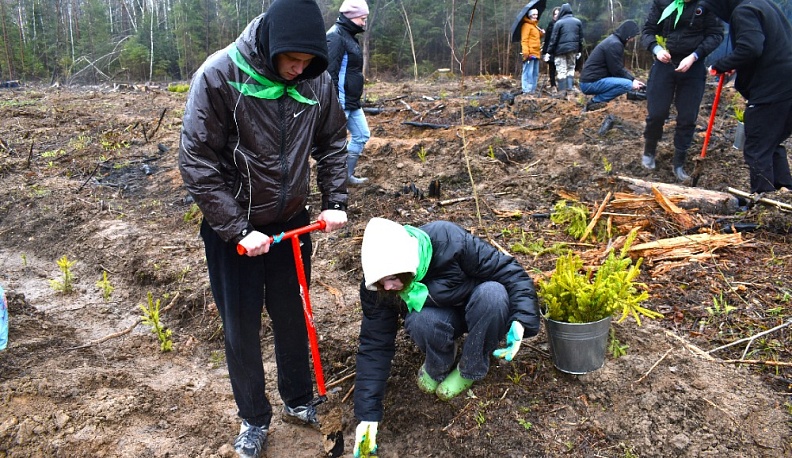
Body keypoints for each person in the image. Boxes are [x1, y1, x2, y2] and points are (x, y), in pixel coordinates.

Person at [178, 0, 349, 456]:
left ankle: (297, 399)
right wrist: (237, 229)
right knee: (242, 328)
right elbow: (197, 162)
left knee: (294, 318)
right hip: (234, 230)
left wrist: (334, 201)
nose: (298, 70)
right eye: (292, 61)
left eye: (308, 62)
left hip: (290, 223)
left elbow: (333, 142)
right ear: (272, 45)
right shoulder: (219, 76)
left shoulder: (316, 79)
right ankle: (253, 418)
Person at [351, 217, 540, 457]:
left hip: (479, 308)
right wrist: (367, 416)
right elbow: (374, 345)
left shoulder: (449, 241)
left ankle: (469, 368)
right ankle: (438, 364)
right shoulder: (377, 286)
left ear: (407, 264)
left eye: (391, 279)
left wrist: (521, 320)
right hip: (438, 319)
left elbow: (511, 273)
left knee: (494, 295)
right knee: (421, 321)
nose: (387, 288)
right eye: (380, 283)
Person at [701, 0, 792, 195]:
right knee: (771, 143)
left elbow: (751, 48)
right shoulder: (765, 5)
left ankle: (763, 202)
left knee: (757, 148)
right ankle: (785, 195)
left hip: (772, 88)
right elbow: (765, 47)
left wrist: (721, 64)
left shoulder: (744, 11)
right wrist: (738, 64)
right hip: (786, 85)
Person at [640, 0, 723, 182]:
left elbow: (716, 35)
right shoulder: (662, 3)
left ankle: (679, 163)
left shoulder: (707, 5)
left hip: (693, 66)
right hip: (664, 63)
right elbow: (647, 31)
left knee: (687, 117)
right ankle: (649, 151)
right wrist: (656, 48)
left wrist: (695, 56)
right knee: (657, 113)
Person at [327, 0, 371, 185]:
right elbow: (330, 74)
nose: (364, 23)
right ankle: (332, 182)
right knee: (334, 145)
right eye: (362, 18)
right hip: (340, 102)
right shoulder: (335, 36)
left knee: (362, 135)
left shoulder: (350, 36)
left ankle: (346, 176)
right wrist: (336, 104)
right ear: (352, 17)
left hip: (353, 101)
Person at [579, 20, 646, 112]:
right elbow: (616, 69)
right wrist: (632, 81)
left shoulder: (614, 41)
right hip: (590, 83)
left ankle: (596, 101)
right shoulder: (614, 44)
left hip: (591, 81)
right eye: (633, 37)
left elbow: (616, 68)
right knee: (627, 85)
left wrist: (633, 79)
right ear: (628, 35)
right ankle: (595, 102)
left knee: (628, 83)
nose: (632, 39)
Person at [546, 3, 583, 100]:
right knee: (570, 69)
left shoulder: (558, 23)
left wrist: (549, 52)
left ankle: (562, 93)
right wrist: (579, 50)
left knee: (562, 70)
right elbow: (580, 38)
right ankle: (569, 90)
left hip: (560, 51)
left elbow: (553, 39)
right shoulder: (578, 22)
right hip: (573, 50)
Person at [520, 8, 545, 95]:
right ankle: (526, 90)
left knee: (535, 73)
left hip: (536, 53)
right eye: (533, 15)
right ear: (530, 15)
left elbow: (535, 38)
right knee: (528, 72)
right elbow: (524, 40)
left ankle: (532, 91)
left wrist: (541, 33)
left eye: (536, 15)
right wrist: (526, 53)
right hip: (529, 54)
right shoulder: (526, 26)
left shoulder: (534, 26)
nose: (535, 16)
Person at [542, 7, 561, 95]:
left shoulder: (563, 24)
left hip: (561, 50)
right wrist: (545, 52)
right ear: (553, 16)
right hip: (551, 50)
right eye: (555, 14)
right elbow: (547, 39)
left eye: (558, 14)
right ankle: (553, 85)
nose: (556, 16)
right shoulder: (551, 25)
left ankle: (561, 85)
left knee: (561, 68)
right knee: (552, 68)